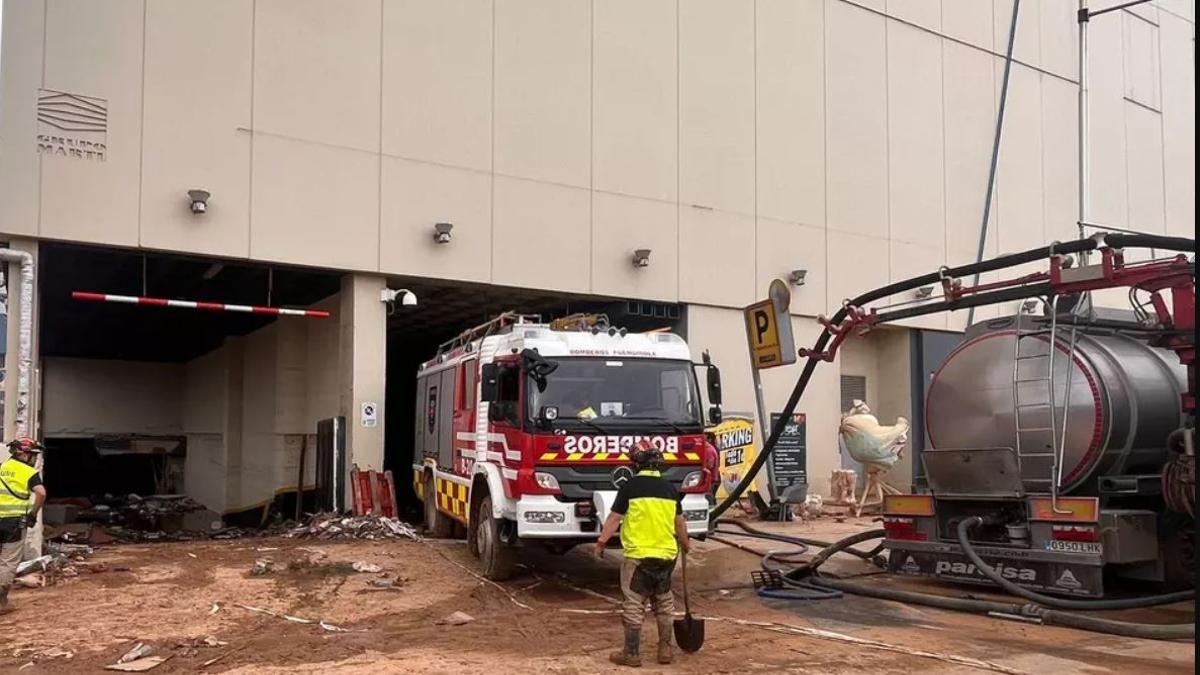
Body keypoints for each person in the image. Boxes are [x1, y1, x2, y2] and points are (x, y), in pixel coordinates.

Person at [593, 440, 690, 667]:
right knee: (664, 603)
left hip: (638, 556)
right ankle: (665, 652)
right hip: (666, 556)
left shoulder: (630, 487)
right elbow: (680, 523)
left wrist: (601, 542)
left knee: (634, 604)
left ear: (636, 464)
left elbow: (614, 518)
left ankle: (631, 654)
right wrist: (685, 544)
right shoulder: (670, 489)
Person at [0, 437, 47, 614]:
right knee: (8, 562)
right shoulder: (28, 472)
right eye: (33, 454)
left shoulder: (1, 467)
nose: (34, 459)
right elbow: (41, 493)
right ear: (24, 454)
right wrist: (33, 514)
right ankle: (0, 601)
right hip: (13, 522)